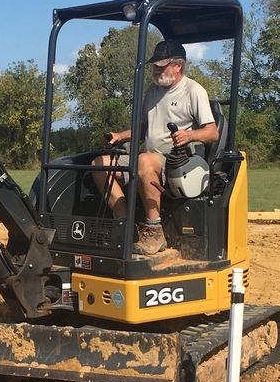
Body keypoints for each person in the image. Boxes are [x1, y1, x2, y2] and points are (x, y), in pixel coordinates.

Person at [91, 40, 219, 255]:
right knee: (99, 164)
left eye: (161, 65)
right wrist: (118, 136)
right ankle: (125, 223)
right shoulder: (153, 91)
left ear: (177, 65)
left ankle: (154, 231)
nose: (156, 69)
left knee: (143, 160)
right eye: (155, 65)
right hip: (149, 158)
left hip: (178, 161)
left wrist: (188, 135)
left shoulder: (194, 91)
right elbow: (143, 128)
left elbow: (212, 132)